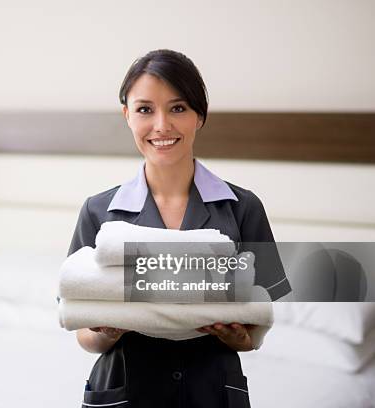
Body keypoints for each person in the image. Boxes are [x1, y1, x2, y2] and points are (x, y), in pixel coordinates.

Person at [68, 49, 292, 407]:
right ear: (127, 115)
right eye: (145, 109)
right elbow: (83, 331)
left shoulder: (243, 208)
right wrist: (107, 331)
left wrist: (238, 337)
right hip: (124, 390)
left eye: (178, 108)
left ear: (199, 116)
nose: (161, 126)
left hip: (212, 389)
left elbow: (258, 322)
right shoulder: (99, 212)